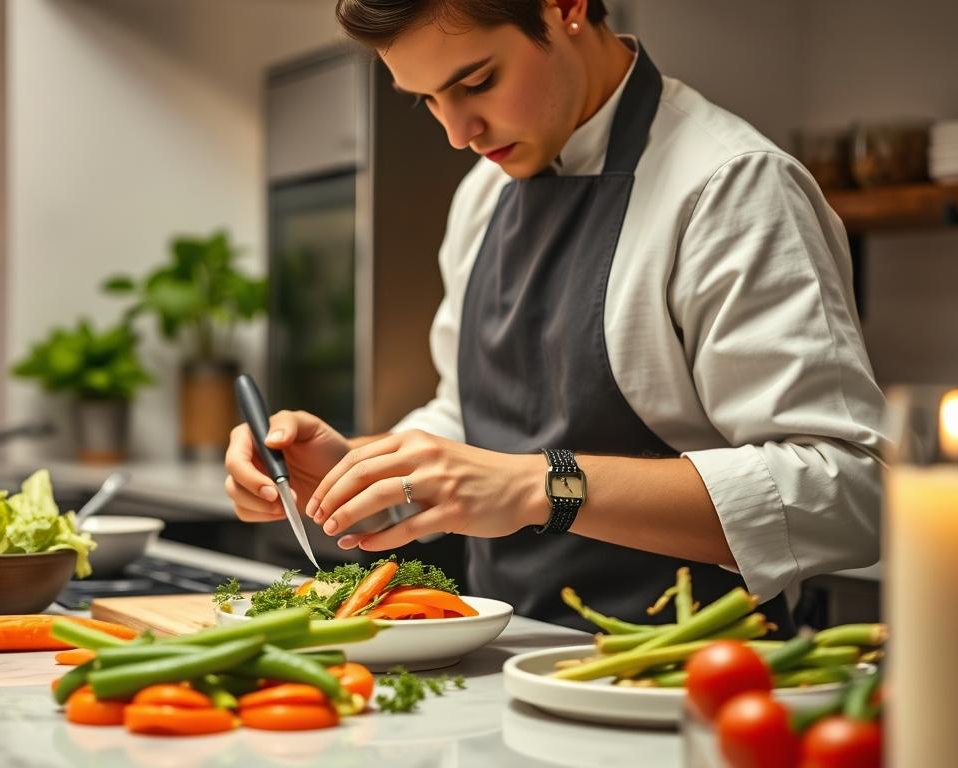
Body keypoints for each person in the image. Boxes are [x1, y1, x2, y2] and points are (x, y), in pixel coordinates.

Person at [223, 0, 887, 632]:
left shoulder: (732, 186)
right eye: (427, 100)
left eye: (477, 82)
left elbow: (847, 491)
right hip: (512, 664)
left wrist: (544, 485)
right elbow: (471, 419)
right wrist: (358, 468)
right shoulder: (483, 196)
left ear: (565, 7)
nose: (458, 133)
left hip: (686, 679)